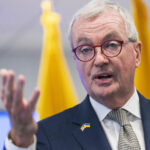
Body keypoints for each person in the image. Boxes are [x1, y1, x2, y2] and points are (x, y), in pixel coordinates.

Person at [1, 0, 150, 149]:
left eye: (111, 45)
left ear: (136, 54)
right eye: (85, 49)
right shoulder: (46, 136)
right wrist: (20, 142)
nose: (99, 59)